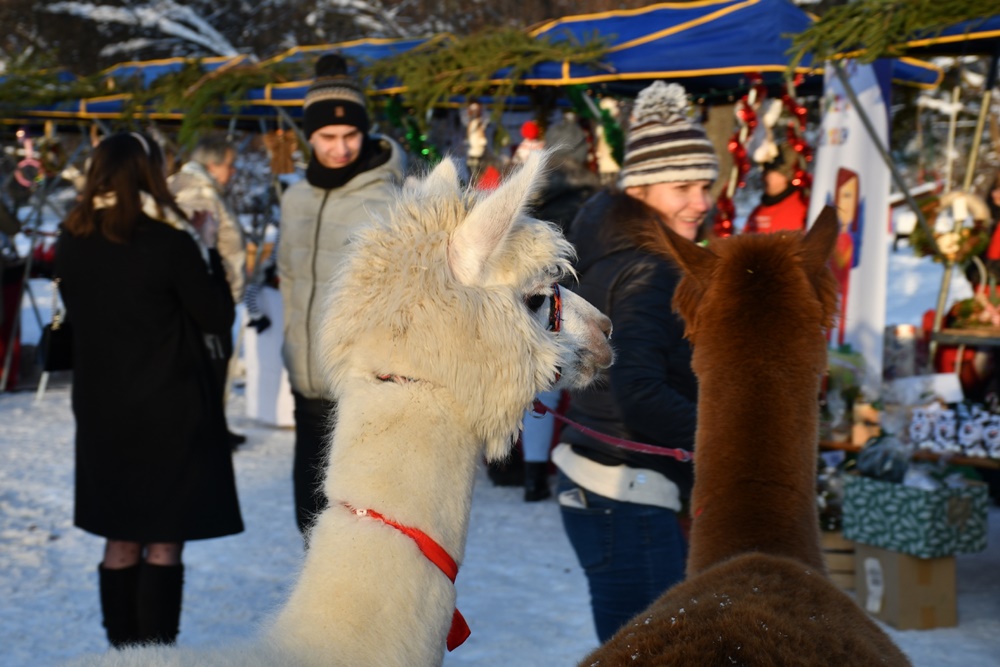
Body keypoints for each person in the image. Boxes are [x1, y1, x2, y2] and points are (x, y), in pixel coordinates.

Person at [54, 132, 243, 648]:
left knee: (120, 537)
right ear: (150, 174)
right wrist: (206, 251)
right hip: (169, 408)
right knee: (162, 540)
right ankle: (156, 656)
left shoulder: (72, 239)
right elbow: (216, 316)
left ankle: (121, 653)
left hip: (101, 409)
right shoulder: (169, 243)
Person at [553, 80, 717, 643]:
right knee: (654, 654)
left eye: (705, 185)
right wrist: (728, 435)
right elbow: (637, 390)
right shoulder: (652, 266)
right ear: (642, 188)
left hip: (601, 480)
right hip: (629, 489)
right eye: (683, 187)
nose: (701, 201)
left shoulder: (606, 242)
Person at [279, 54, 407, 537]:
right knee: (308, 519)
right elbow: (290, 279)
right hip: (304, 382)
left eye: (350, 135)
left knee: (355, 521)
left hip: (356, 384)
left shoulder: (386, 200)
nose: (340, 147)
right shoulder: (294, 199)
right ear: (309, 137)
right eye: (328, 137)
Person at [169, 134, 248, 448]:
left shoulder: (204, 187)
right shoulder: (195, 191)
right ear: (213, 165)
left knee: (217, 366)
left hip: (216, 296)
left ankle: (215, 423)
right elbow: (197, 248)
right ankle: (207, 429)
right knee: (209, 367)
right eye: (230, 165)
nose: (234, 172)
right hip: (208, 300)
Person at [743, 141, 808, 234]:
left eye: (768, 172)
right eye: (764, 172)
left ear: (785, 176)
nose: (762, 177)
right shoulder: (757, 211)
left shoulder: (803, 206)